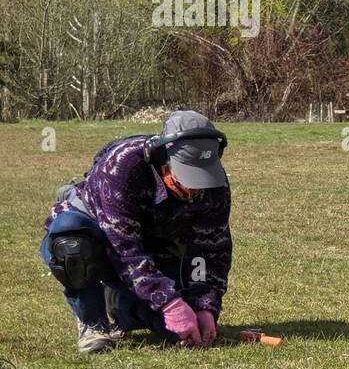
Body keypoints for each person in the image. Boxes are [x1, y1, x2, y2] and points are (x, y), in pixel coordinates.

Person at [41, 110, 233, 354]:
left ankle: (120, 307)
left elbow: (210, 250)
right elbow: (125, 250)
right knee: (72, 245)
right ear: (163, 157)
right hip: (103, 235)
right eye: (187, 176)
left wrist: (204, 305)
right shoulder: (122, 165)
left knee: (177, 333)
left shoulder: (214, 181)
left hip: (156, 244)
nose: (195, 189)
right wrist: (170, 303)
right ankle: (93, 321)